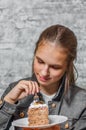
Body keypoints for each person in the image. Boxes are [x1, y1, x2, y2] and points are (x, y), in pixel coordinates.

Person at [0, 24, 86, 130]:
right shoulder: (13, 90)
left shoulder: (83, 103)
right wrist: (8, 100)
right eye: (40, 61)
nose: (44, 73)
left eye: (55, 67)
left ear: (68, 66)